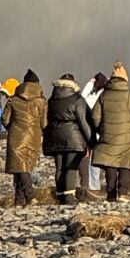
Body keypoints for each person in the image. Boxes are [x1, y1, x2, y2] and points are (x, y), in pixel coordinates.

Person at [92, 62, 130, 204]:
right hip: (128, 134)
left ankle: (110, 195)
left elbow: (95, 116)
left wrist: (100, 130)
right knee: (125, 164)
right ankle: (123, 193)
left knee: (110, 163)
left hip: (108, 134)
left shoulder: (103, 95)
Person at [44, 72, 94, 206]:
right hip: (73, 137)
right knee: (70, 167)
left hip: (55, 135)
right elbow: (83, 121)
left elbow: (46, 119)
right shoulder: (78, 99)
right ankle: (69, 197)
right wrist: (91, 140)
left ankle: (60, 195)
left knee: (59, 167)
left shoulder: (52, 99)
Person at [3, 70, 47, 205]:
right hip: (33, 137)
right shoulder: (41, 102)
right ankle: (22, 198)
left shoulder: (13, 100)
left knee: (20, 167)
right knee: (24, 167)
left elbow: (4, 119)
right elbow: (44, 123)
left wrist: (13, 127)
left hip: (16, 136)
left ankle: (27, 196)